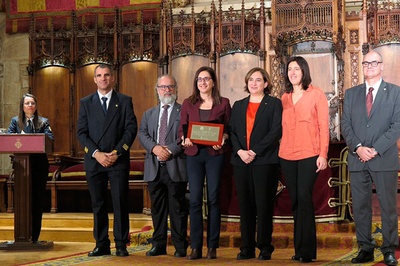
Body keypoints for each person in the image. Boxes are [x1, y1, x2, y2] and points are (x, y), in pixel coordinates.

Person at [341, 50, 400, 266]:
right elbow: (345, 125)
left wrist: (374, 149)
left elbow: (397, 126)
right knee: (361, 207)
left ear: (382, 66)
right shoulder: (351, 93)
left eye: (374, 63)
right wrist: (357, 147)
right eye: (366, 63)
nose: (369, 66)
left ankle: (389, 249)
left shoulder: (395, 92)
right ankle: (365, 248)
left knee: (387, 206)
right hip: (358, 159)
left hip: (383, 158)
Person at [77, 64, 137, 257]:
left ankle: (121, 243)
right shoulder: (86, 102)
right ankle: (101, 243)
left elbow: (130, 129)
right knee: (98, 204)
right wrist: (97, 154)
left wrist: (116, 152)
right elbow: (81, 133)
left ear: (112, 78)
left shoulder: (125, 101)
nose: (103, 78)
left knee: (120, 202)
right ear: (94, 79)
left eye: (107, 75)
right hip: (95, 161)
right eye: (99, 75)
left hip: (117, 160)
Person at [278, 56, 329, 263]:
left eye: (296, 68)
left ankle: (308, 251)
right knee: (296, 201)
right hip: (286, 155)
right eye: (290, 69)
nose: (293, 72)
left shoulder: (316, 94)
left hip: (310, 154)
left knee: (304, 198)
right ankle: (298, 249)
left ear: (304, 71)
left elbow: (323, 127)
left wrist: (323, 154)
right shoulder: (284, 97)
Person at [229, 67, 282, 260]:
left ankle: (265, 247)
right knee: (245, 206)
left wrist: (255, 151)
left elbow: (275, 131)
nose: (254, 83)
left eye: (258, 80)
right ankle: (247, 248)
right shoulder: (239, 105)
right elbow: (232, 132)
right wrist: (241, 151)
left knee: (264, 205)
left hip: (264, 161)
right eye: (251, 80)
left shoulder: (274, 104)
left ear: (266, 83)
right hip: (241, 162)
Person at [180, 66, 231, 260]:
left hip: (214, 155)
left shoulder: (224, 103)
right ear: (196, 82)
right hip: (194, 155)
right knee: (194, 201)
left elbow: (228, 129)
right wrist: (185, 138)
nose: (203, 82)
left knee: (213, 200)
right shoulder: (188, 103)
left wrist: (223, 139)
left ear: (213, 82)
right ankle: (195, 247)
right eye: (200, 79)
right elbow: (182, 128)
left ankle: (212, 247)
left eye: (207, 79)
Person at [138, 74, 188, 257]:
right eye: (163, 87)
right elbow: (142, 134)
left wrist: (170, 150)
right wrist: (155, 148)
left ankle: (180, 245)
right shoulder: (148, 113)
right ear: (157, 90)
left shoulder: (184, 111)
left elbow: (187, 135)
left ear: (175, 89)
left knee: (177, 209)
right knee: (157, 210)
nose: (166, 90)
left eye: (170, 86)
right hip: (154, 167)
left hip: (175, 166)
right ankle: (158, 245)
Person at [7, 93, 54, 243]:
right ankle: (21, 236)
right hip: (22, 167)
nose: (30, 106)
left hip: (39, 165)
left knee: (37, 200)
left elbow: (50, 140)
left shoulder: (43, 122)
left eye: (33, 103)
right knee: (22, 199)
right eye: (27, 103)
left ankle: (34, 236)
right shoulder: (16, 121)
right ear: (22, 106)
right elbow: (9, 138)